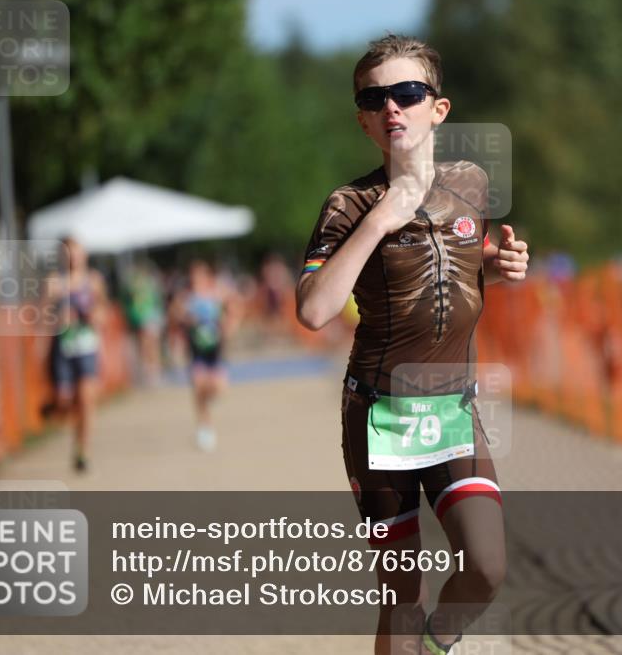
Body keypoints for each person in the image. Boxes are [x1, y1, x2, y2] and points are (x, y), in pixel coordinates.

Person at [296, 34, 530, 655]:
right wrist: (382, 217)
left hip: (451, 408)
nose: (391, 107)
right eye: (374, 98)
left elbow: (453, 266)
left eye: (406, 93)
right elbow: (315, 310)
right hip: (378, 415)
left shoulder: (471, 184)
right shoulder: (349, 203)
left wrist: (498, 266)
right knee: (401, 595)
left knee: (485, 566)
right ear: (363, 121)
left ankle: (436, 645)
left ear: (438, 108)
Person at [47, 237, 108, 472]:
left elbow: (103, 312)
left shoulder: (93, 281)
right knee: (64, 400)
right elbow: (39, 315)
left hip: (87, 347)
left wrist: (92, 316)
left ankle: (83, 449)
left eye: (77, 252)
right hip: (61, 348)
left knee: (86, 399)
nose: (73, 258)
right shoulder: (54, 282)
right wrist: (56, 318)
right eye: (69, 253)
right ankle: (72, 426)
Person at [170, 259, 240, 452]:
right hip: (195, 350)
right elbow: (174, 318)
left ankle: (209, 402)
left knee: (218, 389)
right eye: (193, 275)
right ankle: (205, 426)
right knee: (198, 388)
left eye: (200, 274)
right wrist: (184, 319)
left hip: (216, 350)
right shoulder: (185, 297)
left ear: (208, 275)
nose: (196, 278)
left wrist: (228, 326)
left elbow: (234, 310)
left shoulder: (218, 293)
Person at [122, 261, 165, 385]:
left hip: (149, 318)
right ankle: (150, 370)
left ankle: (153, 370)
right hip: (140, 319)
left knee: (150, 345)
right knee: (145, 346)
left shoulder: (147, 286)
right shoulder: (133, 288)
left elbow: (156, 302)